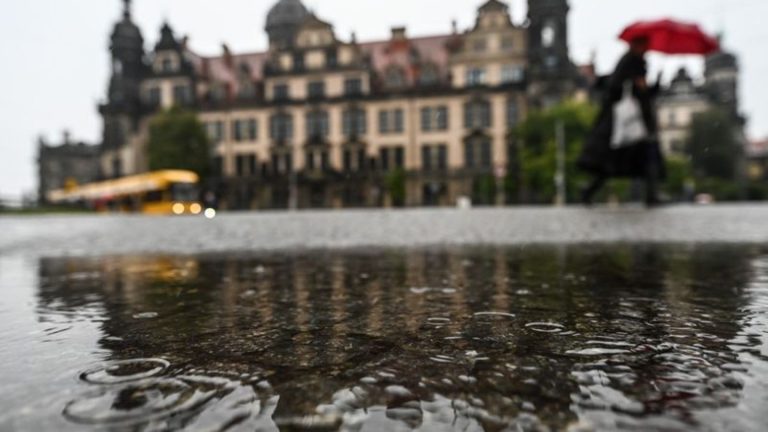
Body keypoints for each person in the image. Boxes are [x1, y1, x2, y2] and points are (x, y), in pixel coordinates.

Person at [578, 36, 665, 206]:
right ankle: (651, 196)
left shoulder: (626, 62)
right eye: (644, 44)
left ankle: (589, 191)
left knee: (615, 161)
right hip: (631, 119)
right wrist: (653, 85)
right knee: (644, 155)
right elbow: (642, 92)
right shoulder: (634, 63)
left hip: (622, 120)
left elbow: (610, 84)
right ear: (637, 45)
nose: (647, 47)